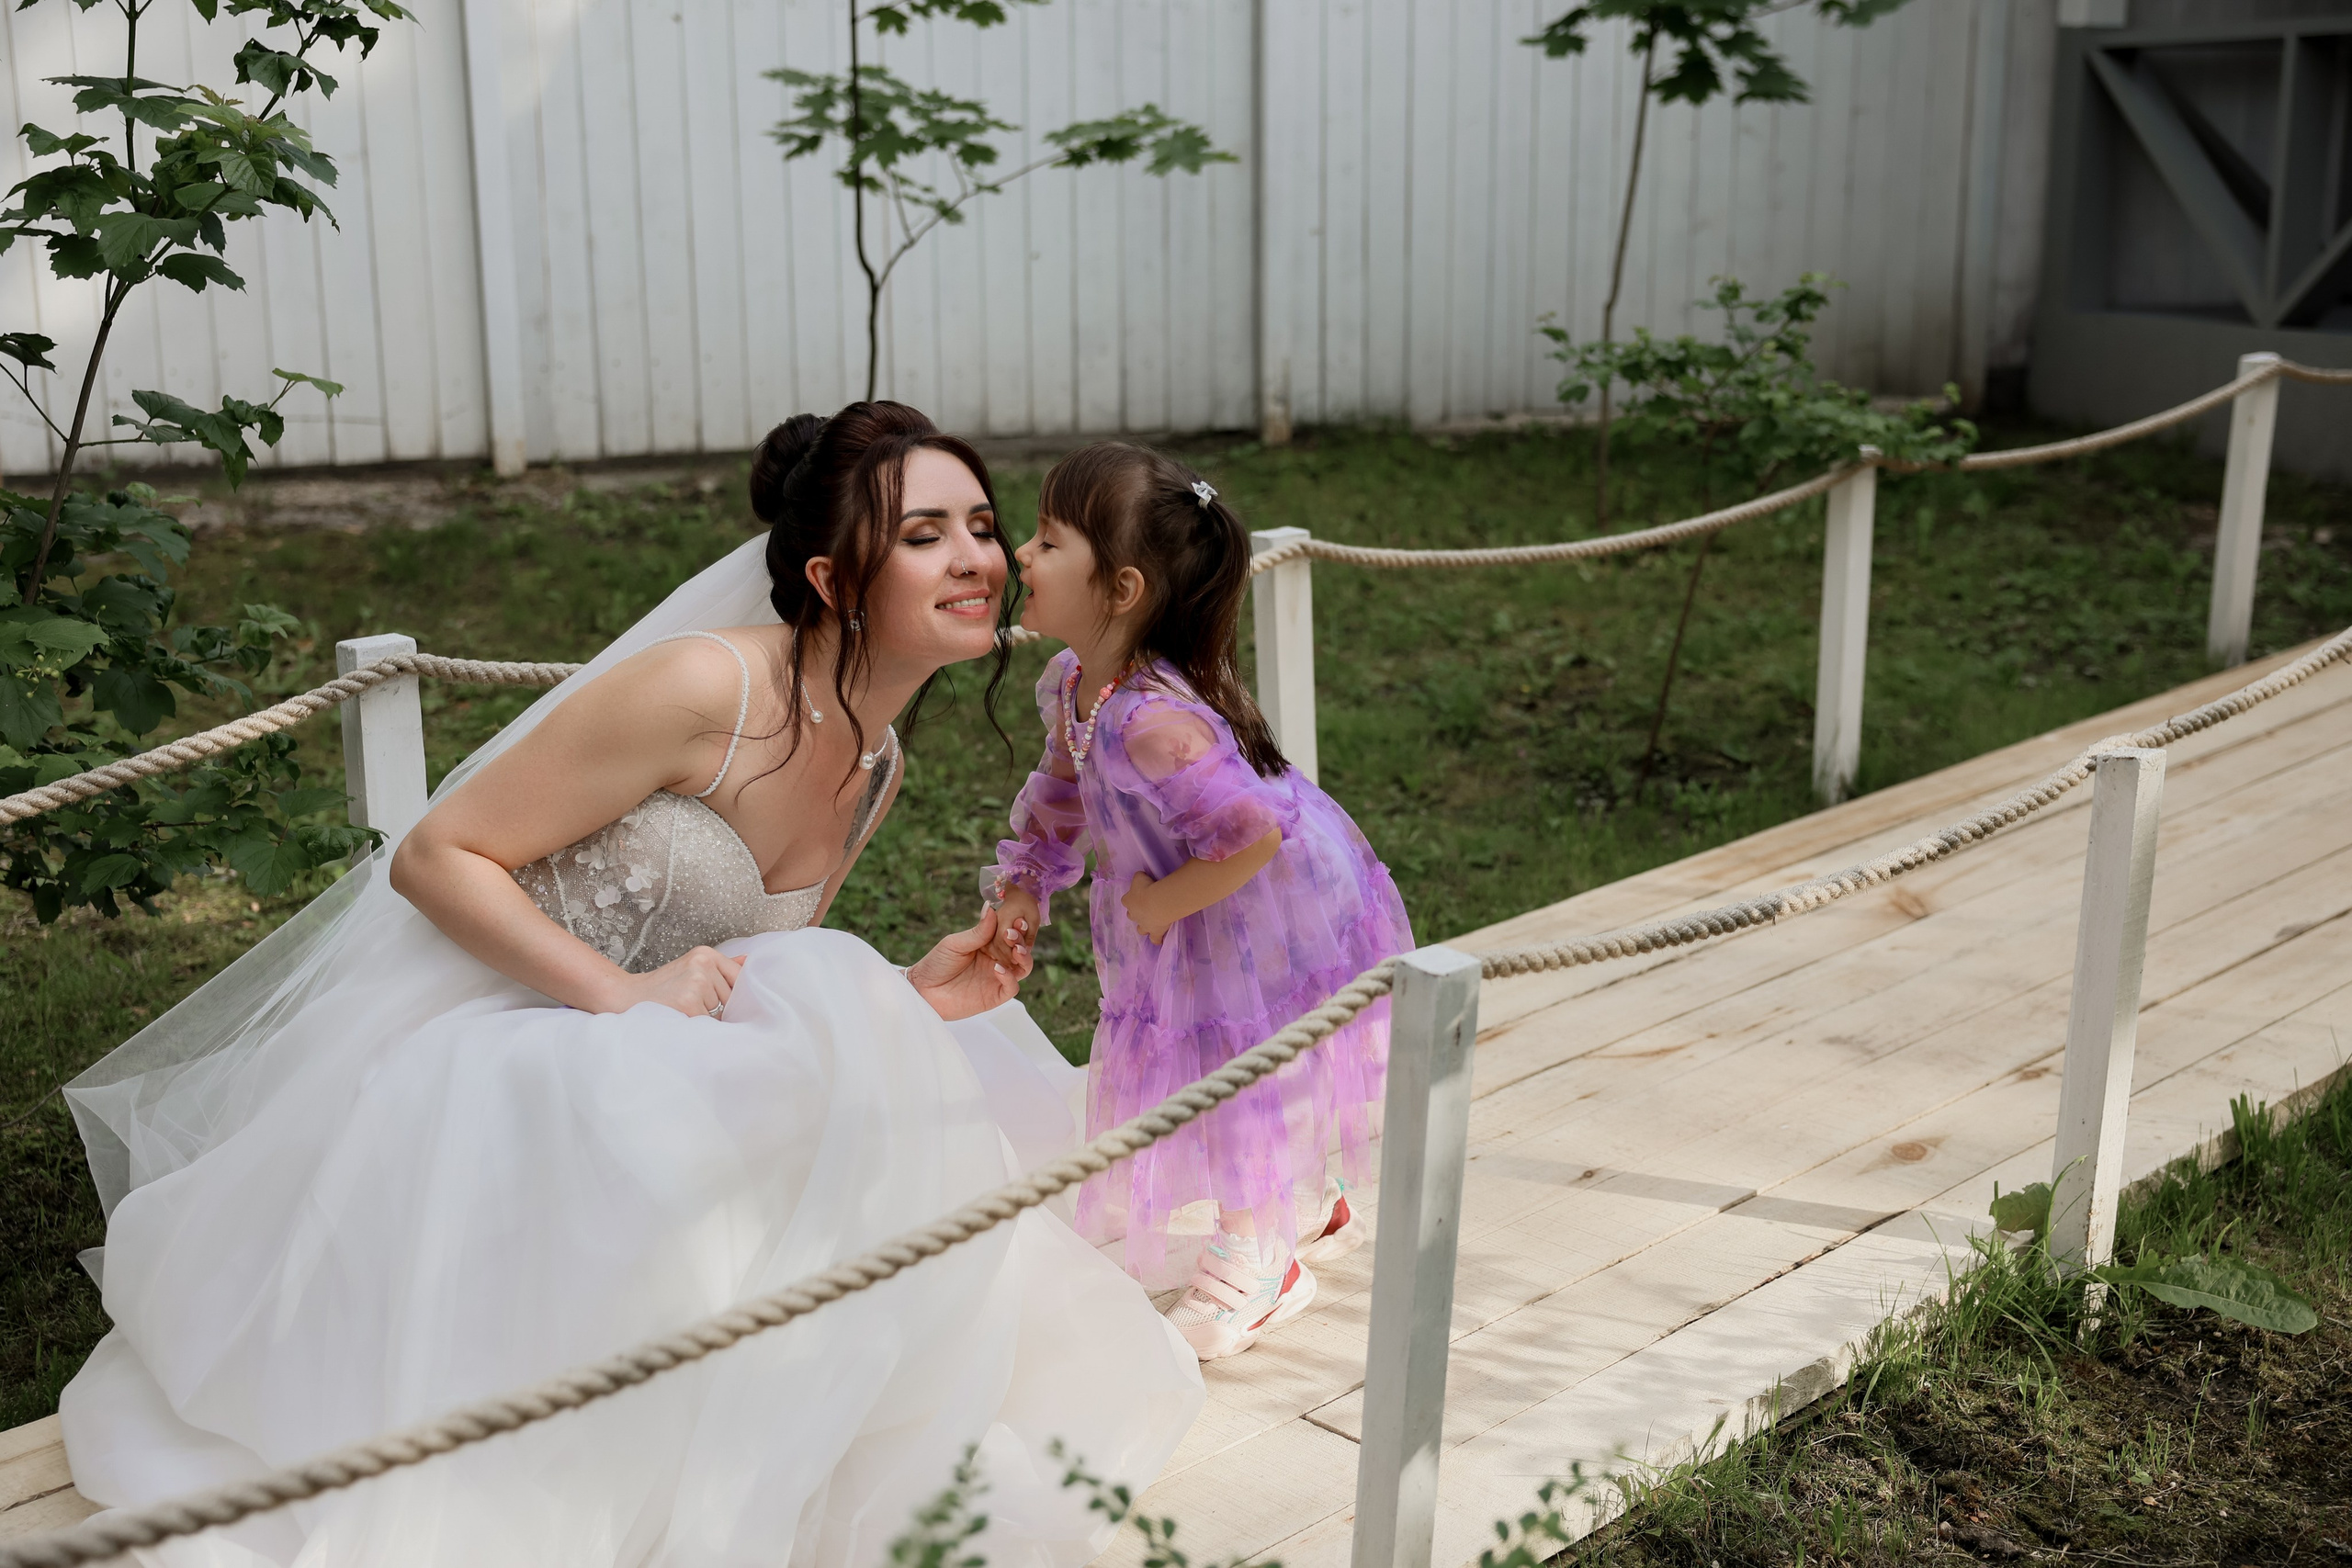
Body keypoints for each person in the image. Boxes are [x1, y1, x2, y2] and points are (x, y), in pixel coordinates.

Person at [56, 403, 1203, 1568]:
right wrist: (619, 995)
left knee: (897, 1117)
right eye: (923, 535)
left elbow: (761, 969)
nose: (975, 559)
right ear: (831, 579)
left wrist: (912, 999)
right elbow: (437, 856)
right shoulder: (706, 687)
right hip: (500, 1043)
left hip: (659, 1057)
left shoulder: (878, 759)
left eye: (983, 527)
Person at [984, 442, 1415, 1361]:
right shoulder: (1076, 686)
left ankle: (1261, 1258)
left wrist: (1162, 905)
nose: (1021, 553)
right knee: (1209, 1058)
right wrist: (1025, 883)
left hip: (1250, 903)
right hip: (1192, 902)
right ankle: (1305, 1197)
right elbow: (1059, 791)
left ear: (1121, 588)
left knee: (1234, 1059)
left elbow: (1251, 835)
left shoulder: (1153, 721)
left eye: (1048, 541)